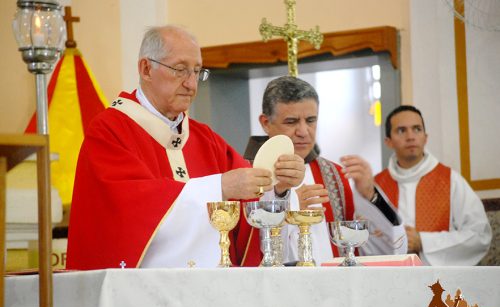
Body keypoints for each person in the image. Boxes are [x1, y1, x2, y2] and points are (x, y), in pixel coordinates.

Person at [66, 25, 305, 270]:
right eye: (180, 70)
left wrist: (278, 188)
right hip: (145, 294)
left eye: (197, 72)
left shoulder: (205, 139)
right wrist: (219, 187)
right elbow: (125, 210)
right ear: (146, 69)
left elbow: (248, 206)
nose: (191, 84)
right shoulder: (110, 131)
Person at [244, 76, 407, 265]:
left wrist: (370, 196)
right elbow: (244, 252)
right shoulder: (246, 176)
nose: (304, 131)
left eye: (311, 120)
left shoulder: (334, 176)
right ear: (265, 122)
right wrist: (290, 208)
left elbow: (386, 250)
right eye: (291, 121)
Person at [375, 105, 492, 265]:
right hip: (391, 279)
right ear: (388, 142)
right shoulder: (376, 186)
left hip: (440, 282)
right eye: (401, 130)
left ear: (425, 137)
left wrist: (424, 241)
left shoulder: (450, 180)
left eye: (417, 129)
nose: (410, 136)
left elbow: (480, 235)